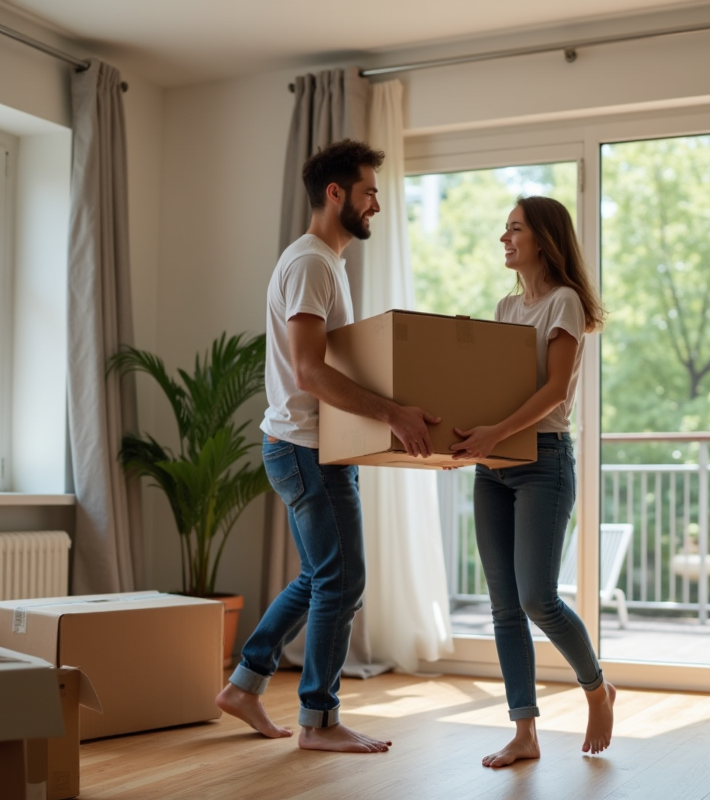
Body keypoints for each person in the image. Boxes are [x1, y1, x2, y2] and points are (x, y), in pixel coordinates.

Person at [215, 139, 440, 754]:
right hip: (303, 448)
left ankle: (244, 683)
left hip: (306, 446)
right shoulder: (313, 262)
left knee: (322, 576)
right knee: (342, 582)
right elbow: (309, 370)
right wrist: (393, 415)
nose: (375, 206)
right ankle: (318, 719)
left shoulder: (324, 263)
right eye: (368, 192)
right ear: (335, 193)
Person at [450, 195, 615, 768]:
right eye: (504, 229)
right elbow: (497, 390)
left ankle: (596, 687)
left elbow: (554, 392)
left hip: (543, 461)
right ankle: (525, 732)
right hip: (493, 467)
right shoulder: (505, 306)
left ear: (542, 239)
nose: (504, 237)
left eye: (514, 229)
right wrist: (466, 438)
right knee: (502, 607)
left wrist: (495, 433)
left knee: (537, 597)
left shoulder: (563, 304)